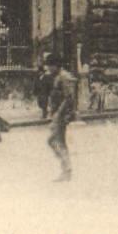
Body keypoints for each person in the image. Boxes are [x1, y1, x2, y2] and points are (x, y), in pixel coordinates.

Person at [44, 52, 77, 182]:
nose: (48, 68)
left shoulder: (64, 77)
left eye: (50, 65)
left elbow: (69, 98)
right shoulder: (58, 76)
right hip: (57, 113)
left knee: (54, 141)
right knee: (58, 142)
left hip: (61, 115)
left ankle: (66, 169)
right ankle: (66, 170)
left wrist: (59, 114)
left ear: (56, 65)